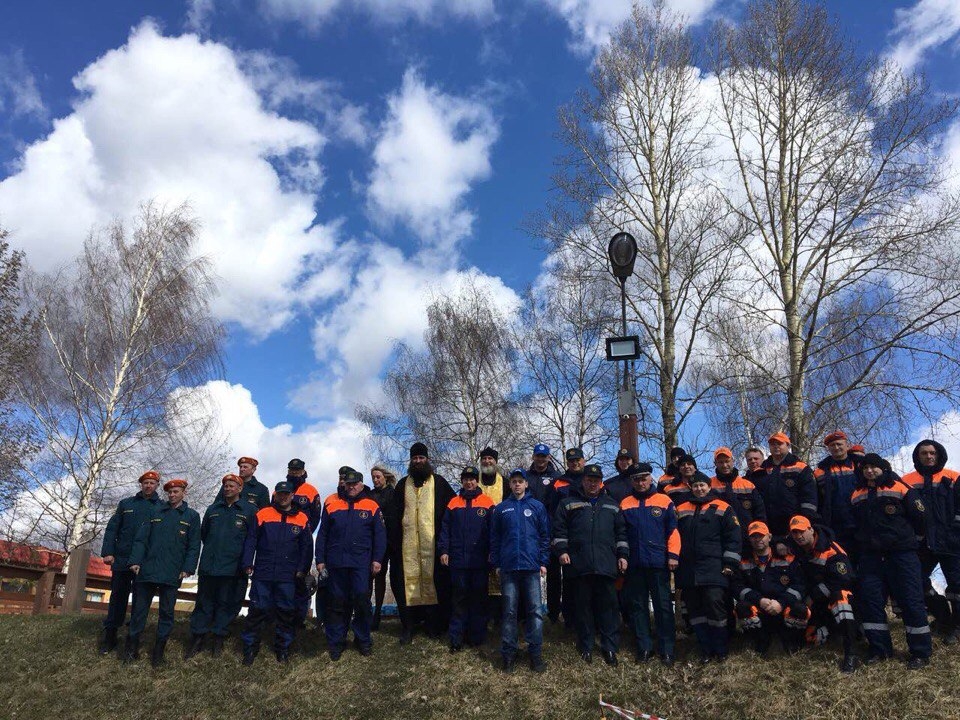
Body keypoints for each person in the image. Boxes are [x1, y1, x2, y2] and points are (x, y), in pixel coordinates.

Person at [850, 454, 930, 669]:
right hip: (871, 558)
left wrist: (911, 542)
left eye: (874, 467)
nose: (869, 471)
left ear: (883, 468)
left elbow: (921, 517)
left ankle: (920, 652)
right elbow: (855, 523)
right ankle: (879, 650)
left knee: (911, 601)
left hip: (901, 555)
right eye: (865, 468)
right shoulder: (857, 494)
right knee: (871, 602)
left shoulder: (901, 487)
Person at [553, 463, 628, 666]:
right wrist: (562, 551)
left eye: (596, 481)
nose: (592, 484)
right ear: (583, 481)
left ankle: (609, 647)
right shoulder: (568, 503)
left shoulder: (612, 505)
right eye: (589, 480)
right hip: (579, 565)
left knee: (608, 608)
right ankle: (585, 646)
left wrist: (622, 555)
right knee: (583, 608)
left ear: (601, 482)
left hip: (606, 565)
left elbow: (621, 533)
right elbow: (559, 530)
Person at [124, 479, 201, 666]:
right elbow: (141, 539)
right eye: (170, 492)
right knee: (139, 612)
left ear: (183, 493)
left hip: (172, 572)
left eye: (176, 492)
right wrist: (135, 561)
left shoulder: (191, 516)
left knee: (166, 614)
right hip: (147, 570)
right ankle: (131, 650)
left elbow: (193, 545)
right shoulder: (155, 511)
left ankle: (158, 654)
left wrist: (188, 568)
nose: (172, 495)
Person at [385, 442, 456, 644]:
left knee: (436, 584)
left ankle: (434, 625)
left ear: (427, 459)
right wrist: (394, 544)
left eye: (421, 458)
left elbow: (452, 511)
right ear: (411, 461)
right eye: (415, 458)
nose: (418, 461)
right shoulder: (402, 485)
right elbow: (393, 516)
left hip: (434, 548)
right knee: (405, 585)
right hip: (406, 549)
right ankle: (408, 626)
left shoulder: (439, 483)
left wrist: (446, 543)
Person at [316, 469, 386, 660]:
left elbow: (380, 536)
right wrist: (320, 560)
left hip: (361, 563)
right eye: (348, 484)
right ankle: (337, 642)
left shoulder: (371, 505)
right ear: (344, 484)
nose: (351, 487)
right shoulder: (331, 503)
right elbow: (322, 534)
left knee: (362, 601)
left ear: (361, 485)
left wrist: (377, 559)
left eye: (355, 484)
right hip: (336, 562)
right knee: (337, 603)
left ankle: (363, 640)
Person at [240, 481, 313, 665]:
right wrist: (248, 562)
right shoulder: (263, 514)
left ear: (292, 495)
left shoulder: (302, 518)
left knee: (286, 612)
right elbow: (251, 540)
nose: (283, 497)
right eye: (280, 493)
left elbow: (306, 548)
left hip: (288, 575)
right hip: (263, 572)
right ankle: (250, 648)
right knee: (257, 610)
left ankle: (283, 649)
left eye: (286, 494)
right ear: (276, 495)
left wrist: (302, 570)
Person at [186, 473, 257, 658]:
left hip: (233, 568)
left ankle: (218, 638)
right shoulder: (213, 509)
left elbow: (252, 539)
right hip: (209, 566)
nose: (228, 489)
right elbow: (204, 534)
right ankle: (198, 637)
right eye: (226, 486)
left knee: (226, 604)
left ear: (240, 488)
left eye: (232, 486)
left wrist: (245, 563)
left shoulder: (249, 511)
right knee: (204, 603)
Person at [674, 475, 741, 663]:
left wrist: (730, 563)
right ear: (691, 488)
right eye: (695, 486)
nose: (699, 489)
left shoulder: (723, 507)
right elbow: (673, 536)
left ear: (709, 487)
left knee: (715, 606)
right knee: (695, 611)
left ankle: (721, 649)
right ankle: (705, 649)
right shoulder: (681, 509)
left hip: (714, 567)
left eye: (702, 485)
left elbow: (733, 537)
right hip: (688, 569)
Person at [490, 468, 550, 673]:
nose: (517, 484)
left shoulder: (537, 507)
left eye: (520, 481)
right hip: (508, 568)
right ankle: (508, 653)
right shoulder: (501, 509)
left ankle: (535, 653)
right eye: (514, 481)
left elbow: (544, 536)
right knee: (509, 612)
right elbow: (495, 538)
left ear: (526, 484)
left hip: (531, 568)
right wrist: (497, 563)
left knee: (535, 611)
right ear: (510, 485)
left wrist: (543, 561)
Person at [619, 463, 679, 665]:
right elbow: (621, 533)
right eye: (636, 479)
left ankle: (667, 649)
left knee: (663, 607)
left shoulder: (664, 500)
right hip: (634, 564)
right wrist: (623, 556)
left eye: (643, 478)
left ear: (650, 478)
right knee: (638, 607)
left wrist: (673, 555)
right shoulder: (625, 503)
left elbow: (673, 531)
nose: (640, 482)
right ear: (632, 481)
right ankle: (644, 647)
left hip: (658, 562)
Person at [901, 439, 960, 644]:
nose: (928, 456)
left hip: (952, 541)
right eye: (924, 453)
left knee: (957, 585)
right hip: (922, 542)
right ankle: (942, 616)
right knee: (915, 581)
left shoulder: (953, 477)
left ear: (939, 454)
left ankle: (957, 626)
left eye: (932, 453)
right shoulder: (907, 480)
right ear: (917, 456)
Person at [98, 470, 162, 655]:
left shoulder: (162, 508)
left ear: (157, 485)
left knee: (141, 601)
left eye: (152, 483)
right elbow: (112, 528)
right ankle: (110, 635)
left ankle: (132, 639)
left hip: (145, 562)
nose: (148, 485)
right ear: (141, 484)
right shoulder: (126, 504)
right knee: (118, 597)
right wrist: (108, 552)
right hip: (122, 559)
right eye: (145, 482)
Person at [788, 515, 858, 673]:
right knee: (812, 636)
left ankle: (851, 653)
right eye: (795, 533)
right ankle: (825, 631)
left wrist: (813, 596)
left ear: (811, 530)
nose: (798, 536)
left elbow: (843, 580)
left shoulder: (831, 549)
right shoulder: (795, 550)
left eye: (801, 531)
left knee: (841, 599)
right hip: (815, 602)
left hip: (835, 596)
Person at [439, 465, 494, 651]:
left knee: (478, 599)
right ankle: (456, 638)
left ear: (477, 481)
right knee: (459, 600)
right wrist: (444, 551)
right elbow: (445, 529)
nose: (469, 482)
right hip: (458, 561)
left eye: (472, 479)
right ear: (462, 481)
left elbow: (493, 531)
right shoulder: (453, 503)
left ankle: (476, 637)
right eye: (466, 479)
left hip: (480, 561)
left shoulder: (487, 503)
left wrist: (492, 552)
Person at [732, 521, 808, 655]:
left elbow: (800, 586)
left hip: (782, 608)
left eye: (761, 535)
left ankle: (791, 641)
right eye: (754, 536)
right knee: (742, 607)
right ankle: (758, 641)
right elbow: (738, 587)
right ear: (749, 539)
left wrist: (781, 603)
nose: (758, 539)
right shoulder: (743, 560)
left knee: (800, 609)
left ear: (770, 537)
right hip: (760, 608)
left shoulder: (787, 557)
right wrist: (759, 600)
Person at [545, 447, 586, 627]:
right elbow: (551, 511)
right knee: (556, 578)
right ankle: (556, 616)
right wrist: (553, 536)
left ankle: (581, 617)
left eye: (578, 460)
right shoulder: (558, 483)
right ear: (567, 463)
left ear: (583, 461)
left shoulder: (592, 479)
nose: (575, 463)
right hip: (561, 535)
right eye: (571, 461)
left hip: (582, 535)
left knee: (579, 577)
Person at [754, 432, 817, 537]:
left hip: (795, 526)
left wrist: (805, 522)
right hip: (767, 526)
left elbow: (809, 499)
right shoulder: (761, 470)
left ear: (788, 445)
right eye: (772, 444)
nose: (776, 446)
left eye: (779, 443)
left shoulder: (801, 468)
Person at [814, 431, 861, 565]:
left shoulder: (860, 466)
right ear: (828, 449)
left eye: (839, 444)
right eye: (832, 445)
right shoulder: (820, 471)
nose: (836, 447)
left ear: (847, 445)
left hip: (860, 522)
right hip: (836, 525)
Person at [285, 458, 321, 629]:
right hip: (283, 541)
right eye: (291, 470)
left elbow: (316, 516)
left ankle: (299, 618)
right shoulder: (281, 489)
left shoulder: (311, 491)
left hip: (302, 541)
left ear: (303, 471)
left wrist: (305, 533)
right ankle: (281, 616)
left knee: (301, 578)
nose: (294, 473)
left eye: (297, 470)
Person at [711, 447, 766, 553]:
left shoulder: (748, 485)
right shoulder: (709, 485)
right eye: (720, 462)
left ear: (733, 461)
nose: (724, 465)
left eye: (727, 461)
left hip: (747, 540)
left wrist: (758, 536)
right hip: (719, 540)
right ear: (715, 463)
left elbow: (760, 514)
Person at [369, 464, 397, 630]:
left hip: (391, 540)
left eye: (378, 477)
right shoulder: (371, 495)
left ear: (385, 477)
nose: (375, 480)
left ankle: (398, 611)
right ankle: (374, 613)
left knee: (391, 577)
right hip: (375, 541)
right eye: (373, 477)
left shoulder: (393, 493)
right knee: (375, 577)